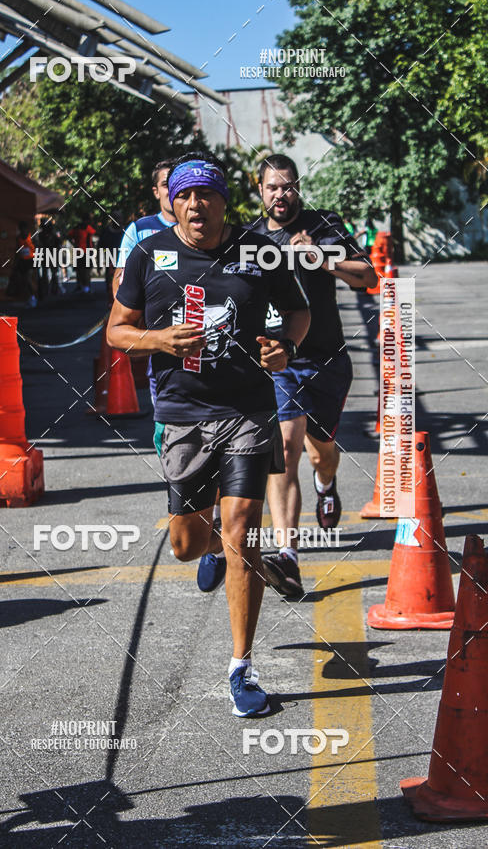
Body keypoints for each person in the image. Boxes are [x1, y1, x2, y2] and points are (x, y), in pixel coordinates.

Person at [107, 153, 310, 716]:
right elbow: (117, 331)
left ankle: (242, 668)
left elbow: (298, 313)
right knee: (186, 545)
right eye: (186, 196)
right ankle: (221, 545)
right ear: (172, 202)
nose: (197, 204)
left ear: (224, 201)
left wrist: (286, 347)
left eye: (208, 195)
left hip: (247, 410)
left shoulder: (257, 250)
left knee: (242, 530)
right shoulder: (148, 253)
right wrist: (158, 340)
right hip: (183, 415)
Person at [248, 154, 377, 598]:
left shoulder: (324, 225)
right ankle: (288, 557)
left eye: (287, 186)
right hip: (280, 360)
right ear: (260, 190)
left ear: (298, 187)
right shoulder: (249, 239)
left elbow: (366, 276)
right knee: (285, 448)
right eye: (272, 187)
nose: (280, 195)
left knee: (322, 453)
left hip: (327, 360)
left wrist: (322, 258)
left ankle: (326, 483)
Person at [111, 159, 177, 407]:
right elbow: (120, 282)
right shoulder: (140, 230)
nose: (173, 189)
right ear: (156, 191)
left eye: (177, 182)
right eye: (166, 184)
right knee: (167, 419)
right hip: (159, 342)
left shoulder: (202, 229)